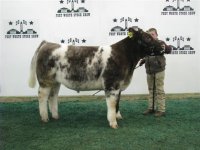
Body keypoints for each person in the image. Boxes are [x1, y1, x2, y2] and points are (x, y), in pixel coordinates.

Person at [139, 28, 171, 117]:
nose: (151, 36)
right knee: (151, 90)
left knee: (159, 90)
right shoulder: (146, 45)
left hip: (159, 70)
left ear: (156, 35)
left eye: (153, 34)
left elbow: (168, 50)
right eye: (149, 35)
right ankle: (151, 108)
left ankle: (161, 110)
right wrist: (144, 60)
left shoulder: (160, 43)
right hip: (149, 70)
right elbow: (150, 55)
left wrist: (167, 48)